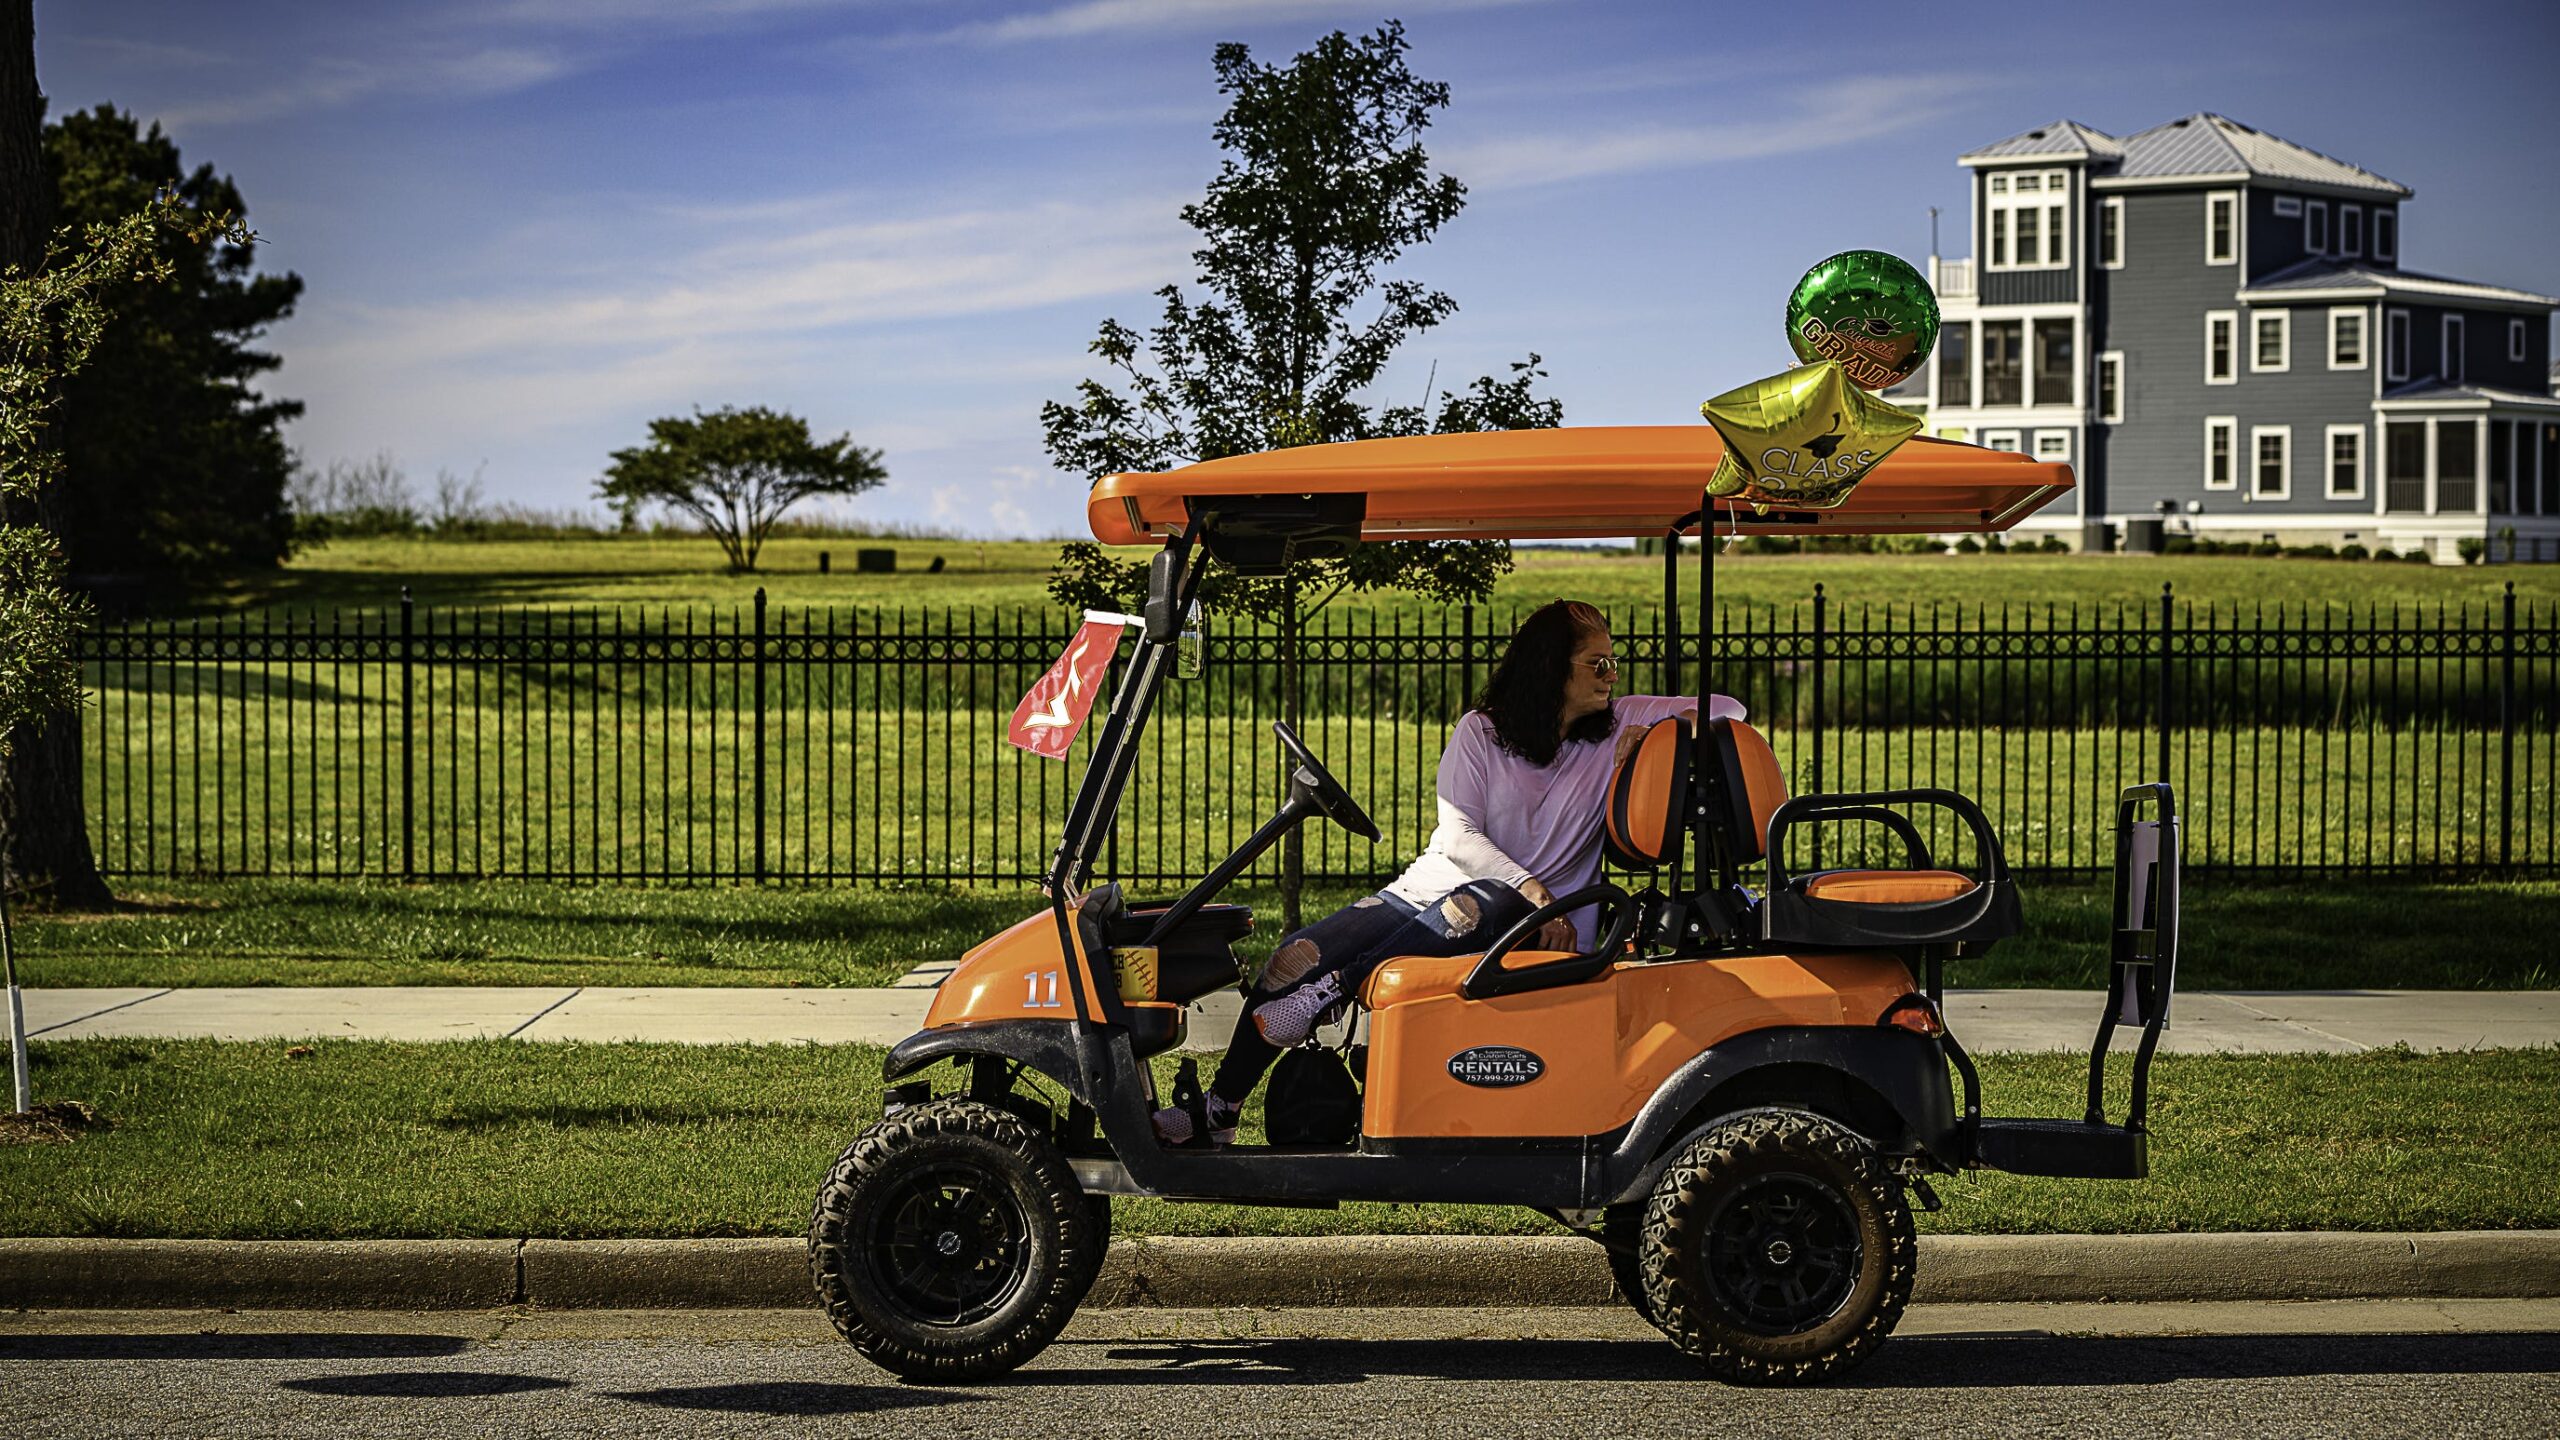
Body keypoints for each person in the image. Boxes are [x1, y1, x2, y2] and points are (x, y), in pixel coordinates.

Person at [1152, 599, 1745, 1146]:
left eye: (1613, 663)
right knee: (1291, 955)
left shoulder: (1621, 721)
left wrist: (1660, 734)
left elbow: (1730, 709)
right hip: (1438, 895)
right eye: (1598, 663)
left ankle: (1331, 990)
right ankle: (1218, 1114)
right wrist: (1531, 886)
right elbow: (1458, 836)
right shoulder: (1481, 733)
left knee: (1486, 899)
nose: (1612, 675)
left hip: (1539, 921)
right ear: (1550, 670)